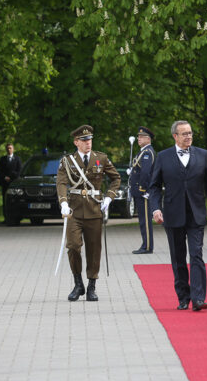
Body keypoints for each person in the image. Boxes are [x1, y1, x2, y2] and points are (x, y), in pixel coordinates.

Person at [149, 120, 207, 312]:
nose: (188, 136)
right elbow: (154, 186)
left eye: (190, 133)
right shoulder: (163, 157)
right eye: (184, 134)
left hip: (196, 214)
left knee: (196, 255)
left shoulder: (202, 154)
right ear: (175, 136)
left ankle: (198, 298)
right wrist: (156, 209)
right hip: (172, 215)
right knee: (178, 258)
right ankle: (183, 297)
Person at [56, 125, 121, 302]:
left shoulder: (101, 158)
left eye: (90, 140)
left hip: (94, 209)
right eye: (84, 141)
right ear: (76, 142)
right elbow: (61, 182)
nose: (88, 143)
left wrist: (109, 197)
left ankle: (92, 286)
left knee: (94, 250)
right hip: (74, 211)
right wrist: (63, 202)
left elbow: (116, 178)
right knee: (73, 246)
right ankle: (78, 283)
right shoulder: (68, 161)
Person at [129, 126, 156, 254]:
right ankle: (145, 244)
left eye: (142, 137)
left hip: (142, 192)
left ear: (148, 139)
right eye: (138, 137)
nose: (139, 139)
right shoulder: (142, 152)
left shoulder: (147, 152)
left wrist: (143, 189)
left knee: (145, 220)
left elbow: (146, 173)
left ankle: (147, 246)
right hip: (139, 191)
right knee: (142, 220)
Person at [0, 143, 22, 218]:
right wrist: (5, 177)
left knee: (15, 200)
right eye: (7, 148)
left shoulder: (17, 159)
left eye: (10, 148)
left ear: (13, 149)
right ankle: (6, 217)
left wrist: (12, 177)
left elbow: (19, 170)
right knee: (5, 200)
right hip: (5, 183)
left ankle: (16, 216)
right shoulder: (2, 159)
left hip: (14, 183)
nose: (9, 150)